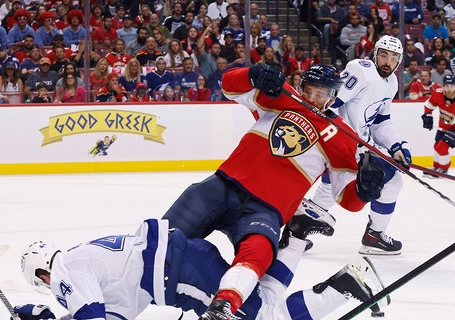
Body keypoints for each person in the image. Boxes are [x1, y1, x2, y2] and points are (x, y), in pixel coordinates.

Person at [162, 63, 387, 319]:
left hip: (265, 208)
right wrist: (252, 74)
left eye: (320, 94)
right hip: (221, 186)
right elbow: (229, 86)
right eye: (309, 90)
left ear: (333, 97)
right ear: (301, 85)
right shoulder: (283, 95)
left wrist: (365, 190)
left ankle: (223, 306)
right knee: (157, 243)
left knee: (258, 252)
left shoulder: (343, 136)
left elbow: (348, 200)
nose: (312, 98)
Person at [14, 217, 380, 320]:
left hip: (177, 272)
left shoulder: (63, 270)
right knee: (264, 298)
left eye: (43, 286)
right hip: (180, 261)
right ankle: (295, 238)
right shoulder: (86, 263)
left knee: (263, 317)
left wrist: (43, 313)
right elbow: (113, 314)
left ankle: (342, 286)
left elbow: (91, 317)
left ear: (41, 273)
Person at [310, 36, 411, 256]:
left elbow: (380, 121)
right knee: (392, 181)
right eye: (383, 54)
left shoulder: (391, 82)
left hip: (354, 147)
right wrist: (347, 140)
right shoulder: (360, 69)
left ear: (399, 61)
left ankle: (297, 230)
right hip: (339, 144)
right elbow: (329, 107)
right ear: (374, 54)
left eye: (393, 57)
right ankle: (374, 236)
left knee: (329, 188)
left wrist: (397, 146)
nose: (387, 61)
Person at [420, 74, 455, 177]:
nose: (448, 89)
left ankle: (444, 169)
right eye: (446, 86)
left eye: (451, 86)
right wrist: (427, 116)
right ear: (443, 86)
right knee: (437, 145)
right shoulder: (438, 94)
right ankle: (436, 167)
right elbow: (428, 105)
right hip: (444, 125)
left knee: (442, 147)